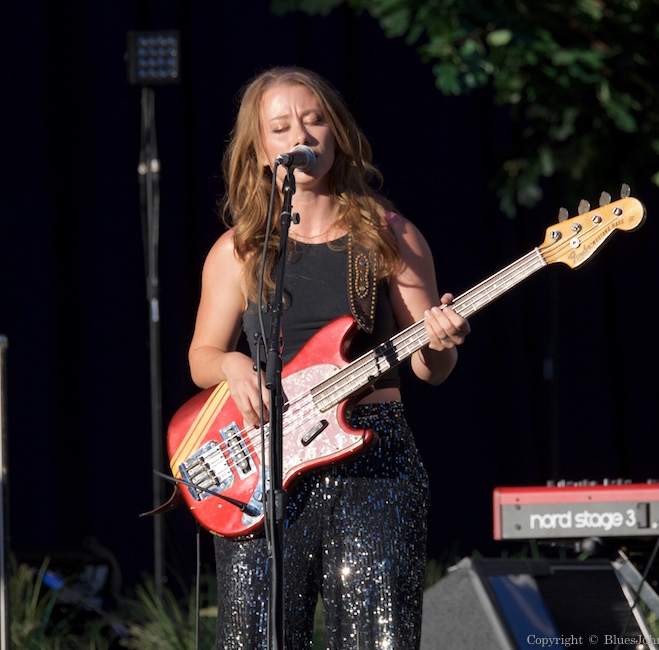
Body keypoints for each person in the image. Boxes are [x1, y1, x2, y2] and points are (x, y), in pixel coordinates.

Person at [186, 66, 470, 649]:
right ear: (262, 150)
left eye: (314, 120)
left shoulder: (390, 234)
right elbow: (202, 356)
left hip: (374, 457)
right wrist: (235, 366)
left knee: (376, 635)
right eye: (282, 125)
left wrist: (439, 344)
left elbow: (429, 370)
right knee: (256, 637)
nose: (302, 136)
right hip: (266, 462)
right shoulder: (239, 248)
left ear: (335, 133)